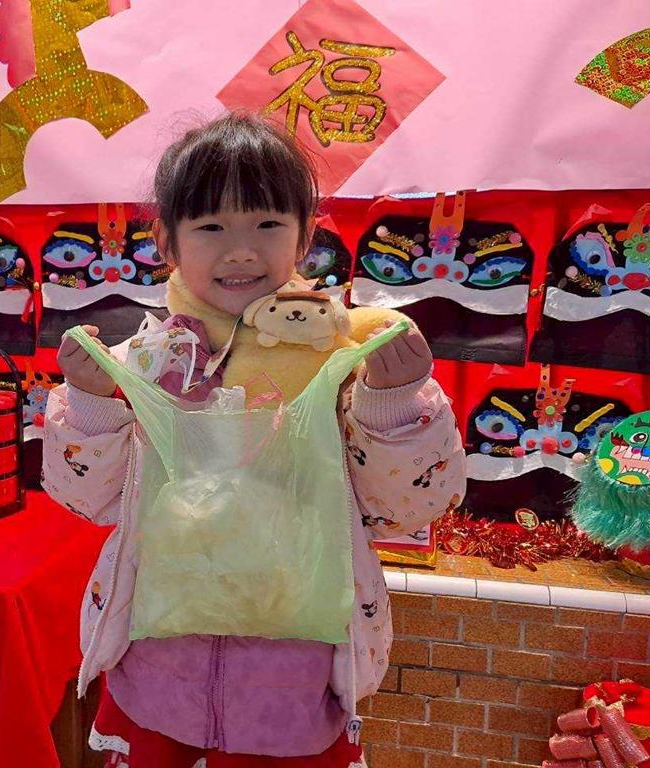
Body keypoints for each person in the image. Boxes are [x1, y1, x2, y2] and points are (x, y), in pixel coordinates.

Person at [42, 112, 467, 767]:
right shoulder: (145, 362)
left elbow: (408, 507)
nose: (241, 250)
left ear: (305, 236)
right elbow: (91, 502)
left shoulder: (344, 359)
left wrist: (392, 403)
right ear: (166, 241)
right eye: (211, 227)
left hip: (294, 681)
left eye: (267, 223)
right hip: (158, 671)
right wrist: (93, 405)